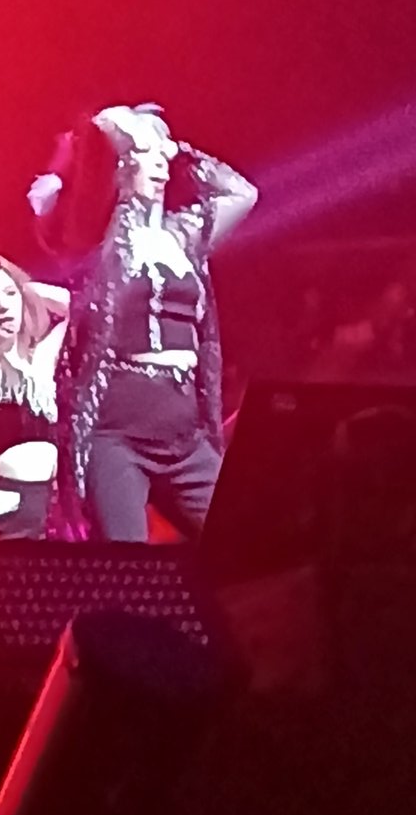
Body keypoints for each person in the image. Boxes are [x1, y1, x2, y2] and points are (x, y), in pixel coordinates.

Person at [37, 105, 257, 541]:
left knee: (238, 546)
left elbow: (243, 194)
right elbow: (93, 150)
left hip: (183, 429)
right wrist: (121, 138)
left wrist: (182, 150)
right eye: (147, 154)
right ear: (120, 166)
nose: (161, 164)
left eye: (163, 155)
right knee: (126, 558)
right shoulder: (98, 239)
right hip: (117, 429)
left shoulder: (183, 236)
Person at [0, 255, 70, 537]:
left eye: (9, 294)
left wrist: (25, 288)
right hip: (4, 501)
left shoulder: (40, 358)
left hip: (47, 503)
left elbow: (76, 308)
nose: (3, 305)